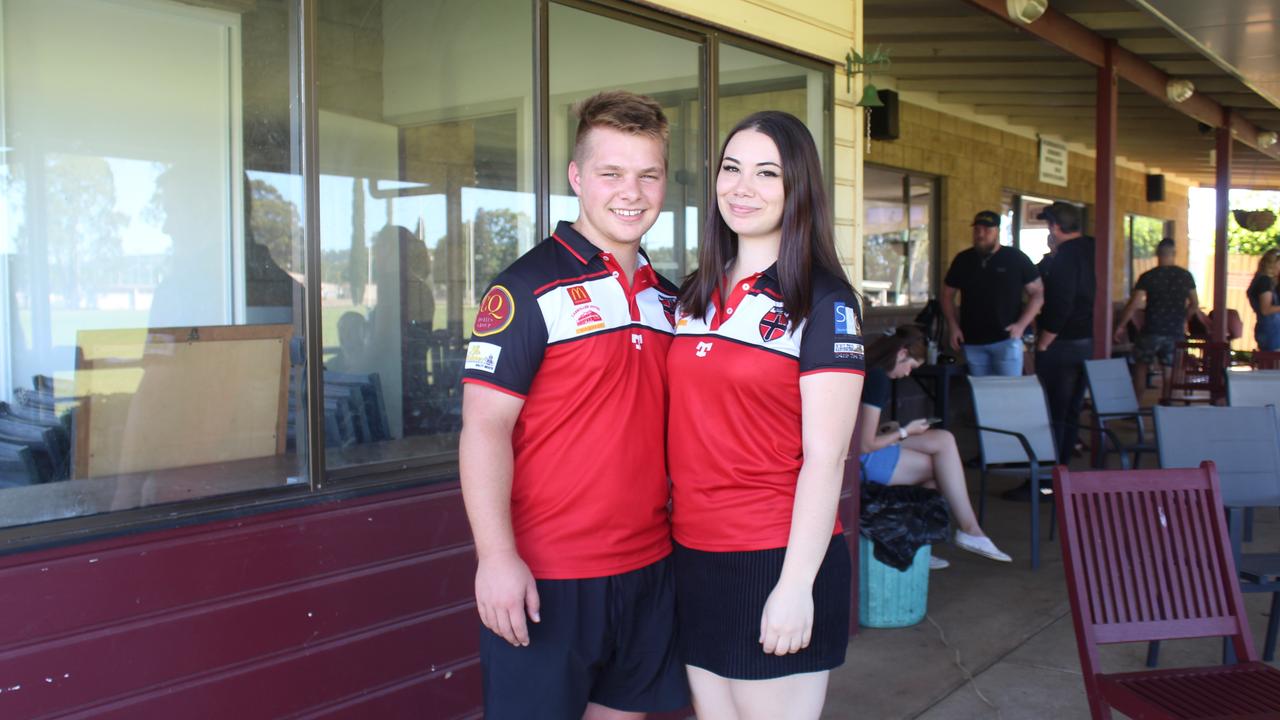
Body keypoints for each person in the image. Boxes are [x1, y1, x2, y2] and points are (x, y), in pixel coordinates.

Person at [458, 91, 687, 720]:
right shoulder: (527, 287)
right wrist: (496, 557)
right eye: (612, 173)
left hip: (650, 565)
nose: (631, 192)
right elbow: (484, 428)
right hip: (548, 575)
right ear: (577, 178)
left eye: (648, 174)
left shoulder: (671, 300)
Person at [667, 111, 864, 720]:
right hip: (693, 552)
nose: (741, 186)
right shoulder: (694, 293)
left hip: (775, 556)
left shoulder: (823, 302)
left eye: (766, 173)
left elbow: (827, 459)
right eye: (731, 168)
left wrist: (796, 585)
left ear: (797, 187)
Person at [857, 326, 1012, 567]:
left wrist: (892, 430)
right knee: (938, 467)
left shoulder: (870, 370)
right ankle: (959, 533)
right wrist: (905, 432)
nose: (908, 373)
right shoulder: (878, 379)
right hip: (859, 460)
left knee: (944, 440)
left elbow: (861, 431)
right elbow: (865, 444)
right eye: (911, 366)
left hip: (853, 451)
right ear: (901, 353)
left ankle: (949, 536)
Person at [1032, 201, 1095, 477]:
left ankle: (1049, 476)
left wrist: (1045, 341)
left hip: (1063, 344)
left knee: (1052, 413)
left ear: (1054, 226)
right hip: (1088, 341)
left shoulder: (1065, 258)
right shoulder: (1094, 249)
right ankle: (1062, 470)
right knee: (1070, 412)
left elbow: (1061, 303)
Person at [941, 210, 1044, 376]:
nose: (981, 234)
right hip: (972, 340)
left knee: (1007, 394)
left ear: (997, 231)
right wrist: (953, 326)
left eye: (987, 230)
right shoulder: (963, 260)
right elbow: (947, 294)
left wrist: (1021, 326)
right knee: (981, 395)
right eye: (977, 230)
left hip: (1007, 339)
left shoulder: (1015, 258)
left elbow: (1038, 293)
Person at [1113, 238, 1207, 396]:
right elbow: (1195, 303)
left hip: (1151, 330)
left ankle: (1134, 408)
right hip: (1175, 331)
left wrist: (1120, 326)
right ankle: (1166, 407)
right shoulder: (1185, 276)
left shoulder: (1148, 276)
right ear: (1174, 253)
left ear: (1157, 254)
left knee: (1141, 368)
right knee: (1169, 370)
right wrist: (1184, 319)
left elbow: (1134, 304)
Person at [1247, 248, 1280, 352]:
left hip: (1267, 330)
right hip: (1272, 332)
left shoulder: (1260, 279)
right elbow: (1265, 310)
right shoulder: (1264, 281)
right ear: (1273, 264)